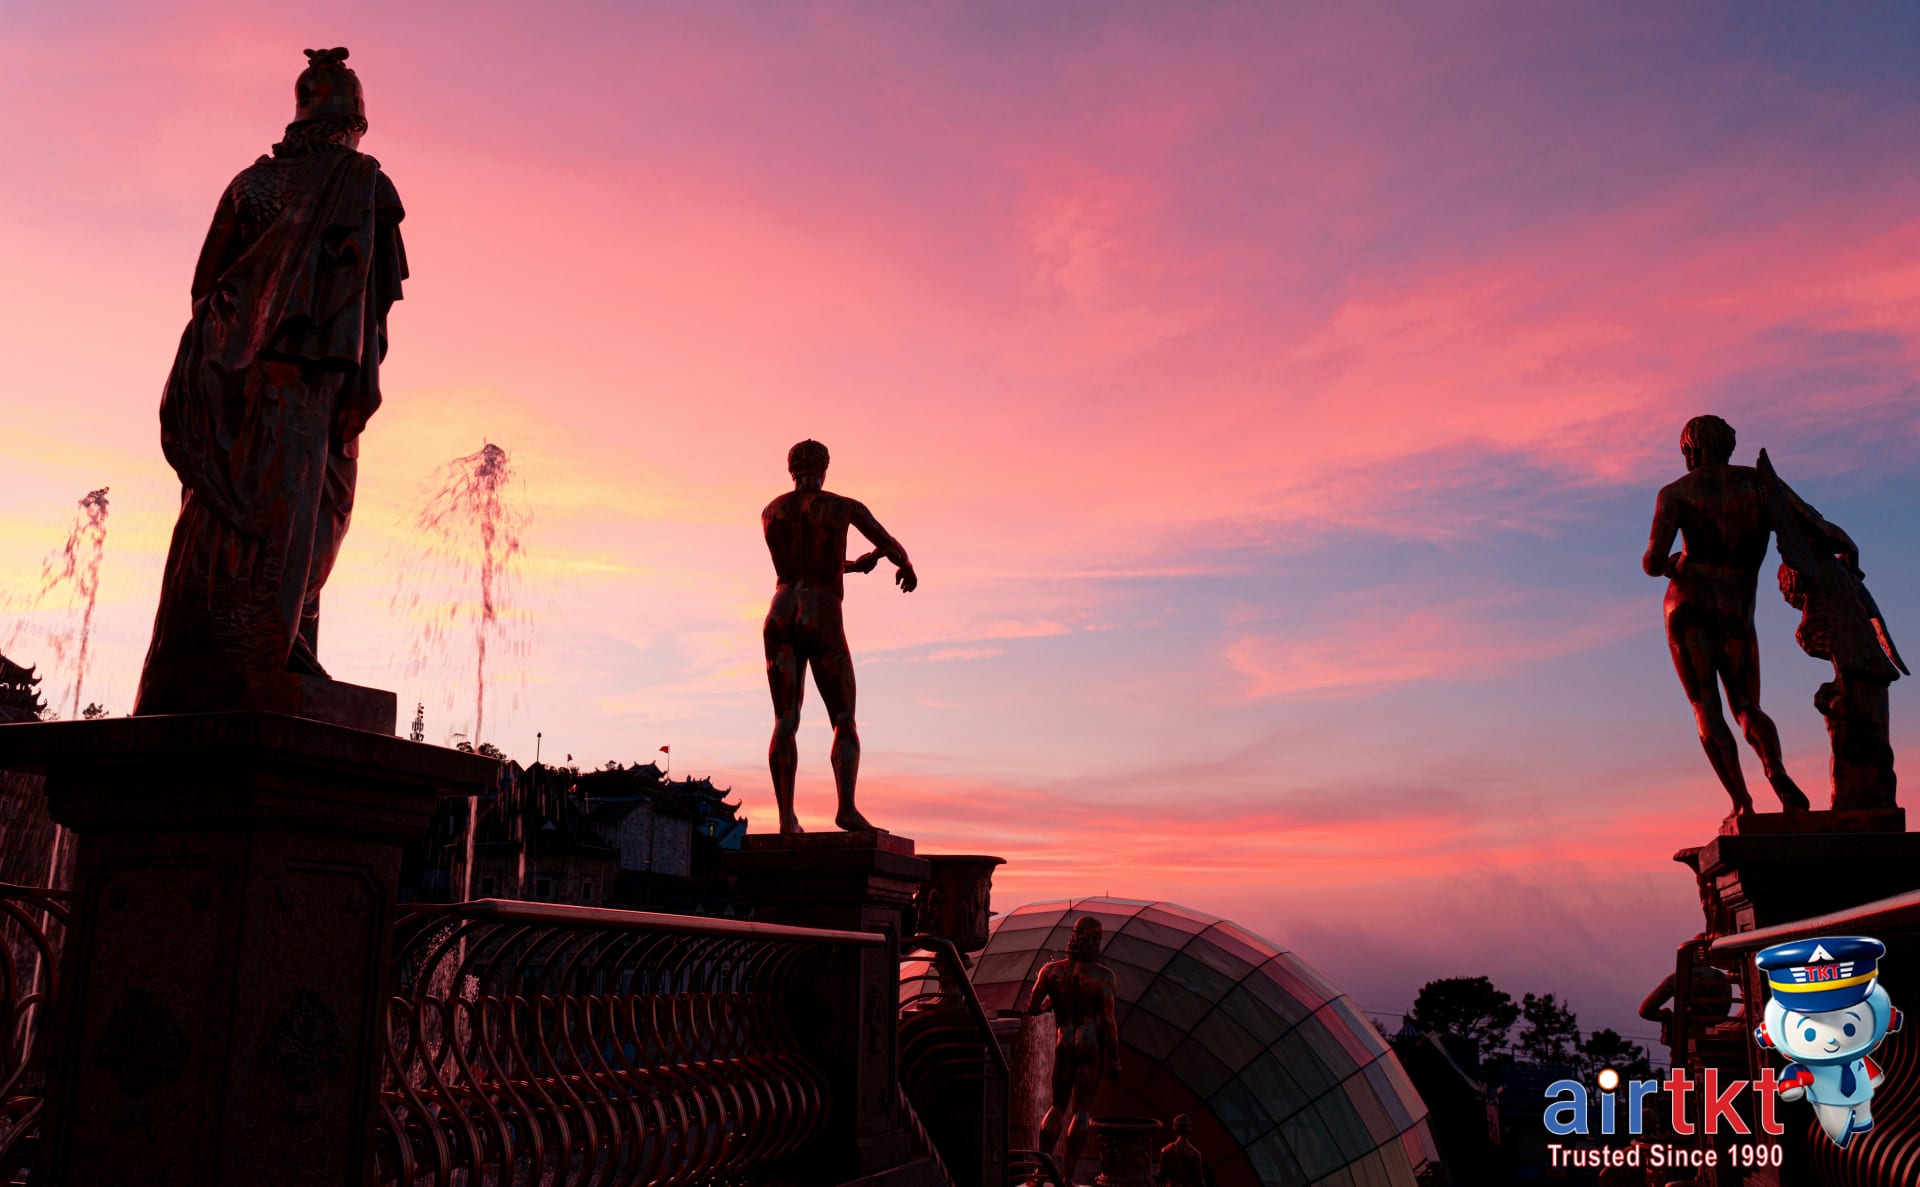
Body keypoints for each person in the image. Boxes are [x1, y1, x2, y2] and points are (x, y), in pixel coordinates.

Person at [135, 47, 406, 714]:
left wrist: (229, 360)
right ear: (350, 124)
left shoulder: (247, 185)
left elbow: (206, 286)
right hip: (308, 383)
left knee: (236, 517)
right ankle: (260, 652)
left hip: (230, 374)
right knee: (308, 523)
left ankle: (266, 649)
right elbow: (362, 297)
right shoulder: (361, 181)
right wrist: (352, 389)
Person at [1642, 416, 1808, 818]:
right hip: (1736, 606)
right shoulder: (1759, 485)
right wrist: (1847, 548)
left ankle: (1741, 802)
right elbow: (1810, 523)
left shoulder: (1676, 493)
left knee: (1705, 706)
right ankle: (1777, 774)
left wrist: (1670, 564)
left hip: (1687, 604)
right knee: (1747, 705)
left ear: (1689, 450)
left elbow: (1651, 561)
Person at [761, 439, 916, 832]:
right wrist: (906, 564)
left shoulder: (771, 512)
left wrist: (849, 567)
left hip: (779, 611)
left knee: (785, 718)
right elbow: (889, 543)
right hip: (821, 611)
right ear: (824, 467)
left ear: (791, 468)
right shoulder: (842, 506)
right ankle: (846, 807)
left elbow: (801, 563)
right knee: (844, 718)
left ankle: (786, 818)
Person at [1027, 916, 1122, 1177]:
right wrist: (1114, 1059)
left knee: (1056, 1106)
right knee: (1081, 1110)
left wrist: (1052, 1004)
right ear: (1095, 942)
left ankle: (1039, 1173)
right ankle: (1067, 1176)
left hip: (1063, 1043)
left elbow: (1033, 1008)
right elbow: (1107, 1021)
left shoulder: (1051, 972)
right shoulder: (1103, 976)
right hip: (1090, 1047)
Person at [1155, 1114, 1209, 1186]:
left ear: (1174, 1127)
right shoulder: (1195, 1153)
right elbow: (1200, 1181)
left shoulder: (1165, 1150)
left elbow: (1160, 1177)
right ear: (1189, 1128)